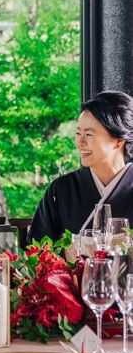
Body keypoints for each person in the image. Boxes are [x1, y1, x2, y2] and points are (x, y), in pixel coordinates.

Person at [28, 91, 133, 244]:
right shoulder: (62, 189)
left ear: (118, 141)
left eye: (89, 134)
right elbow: (37, 248)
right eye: (78, 133)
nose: (80, 142)